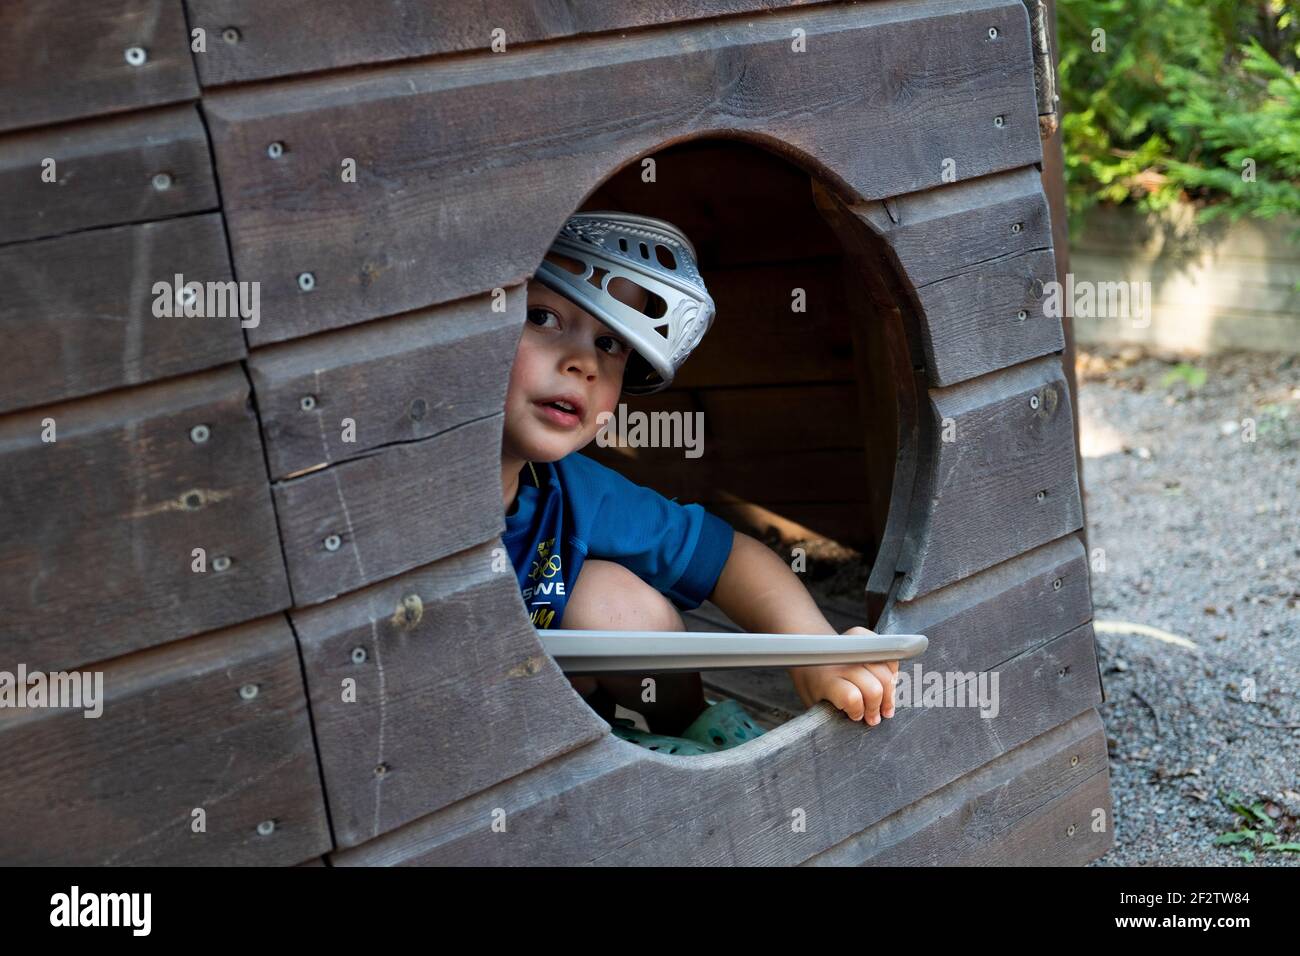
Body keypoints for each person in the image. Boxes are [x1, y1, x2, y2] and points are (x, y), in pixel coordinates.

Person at [501, 211, 897, 749]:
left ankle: (692, 731)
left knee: (610, 598)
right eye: (543, 317)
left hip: (566, 735)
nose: (583, 363)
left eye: (612, 343)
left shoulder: (569, 490)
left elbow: (731, 558)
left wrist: (813, 652)